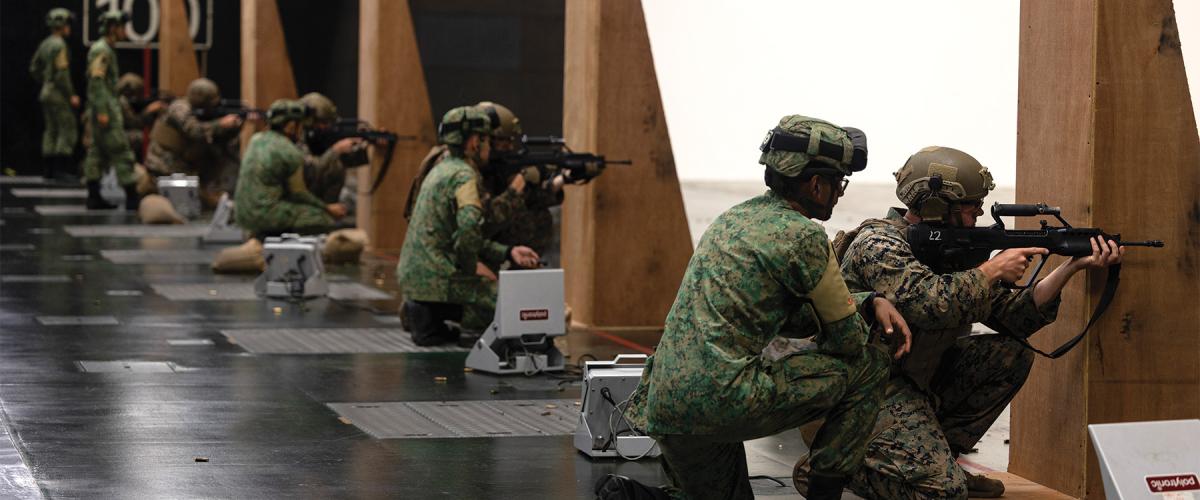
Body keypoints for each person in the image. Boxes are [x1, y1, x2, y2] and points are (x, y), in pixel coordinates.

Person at [596, 115, 913, 500]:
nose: (839, 193)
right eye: (838, 183)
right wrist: (860, 314)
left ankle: (630, 497)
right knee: (869, 365)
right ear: (816, 184)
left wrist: (865, 303)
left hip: (665, 401)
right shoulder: (805, 235)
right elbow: (847, 344)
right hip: (721, 399)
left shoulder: (732, 220)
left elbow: (784, 317)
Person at [814, 146, 1123, 499]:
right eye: (970, 204)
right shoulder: (879, 243)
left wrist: (1070, 267)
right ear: (934, 204)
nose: (979, 211)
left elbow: (1012, 317)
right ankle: (835, 468)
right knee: (943, 494)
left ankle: (943, 457)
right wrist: (990, 270)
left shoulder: (951, 250)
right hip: (868, 389)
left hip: (915, 381)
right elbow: (927, 302)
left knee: (1009, 354)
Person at [396, 106, 539, 347]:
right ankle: (460, 325)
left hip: (414, 277)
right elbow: (469, 225)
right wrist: (471, 266)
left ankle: (428, 318)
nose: (490, 148)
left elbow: (451, 233)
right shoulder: (464, 177)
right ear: (474, 142)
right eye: (487, 141)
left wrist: (507, 252)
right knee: (514, 306)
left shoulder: (440, 169)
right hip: (438, 278)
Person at [234, 99, 345, 238]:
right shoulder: (289, 151)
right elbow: (298, 193)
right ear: (291, 126)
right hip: (263, 215)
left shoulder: (256, 139)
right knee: (321, 219)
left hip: (242, 215)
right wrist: (327, 208)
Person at [476, 101, 566, 257]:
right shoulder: (467, 172)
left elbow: (530, 201)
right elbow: (486, 221)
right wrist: (517, 185)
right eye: (505, 140)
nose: (510, 147)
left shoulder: (493, 169)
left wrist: (561, 180)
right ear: (486, 139)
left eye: (511, 140)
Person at [144, 78, 243, 208]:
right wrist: (221, 124)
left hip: (181, 163)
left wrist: (233, 128)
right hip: (164, 165)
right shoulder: (179, 107)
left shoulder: (194, 110)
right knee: (202, 200)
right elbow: (194, 131)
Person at [83, 10, 137, 210]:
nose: (125, 32)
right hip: (105, 108)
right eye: (122, 27)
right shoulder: (102, 50)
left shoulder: (104, 49)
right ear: (114, 28)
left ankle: (93, 195)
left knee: (97, 153)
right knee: (120, 149)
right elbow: (97, 82)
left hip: (101, 106)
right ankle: (132, 196)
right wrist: (103, 111)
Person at [298, 92, 370, 219]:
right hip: (302, 203)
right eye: (322, 122)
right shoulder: (297, 140)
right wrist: (335, 150)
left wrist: (366, 145)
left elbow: (345, 161)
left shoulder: (317, 137)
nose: (326, 127)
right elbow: (309, 171)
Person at [30, 7, 80, 180]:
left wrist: (45, 80)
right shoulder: (59, 45)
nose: (69, 28)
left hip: (46, 91)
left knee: (50, 130)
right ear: (61, 25)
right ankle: (61, 170)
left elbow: (34, 68)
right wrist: (71, 94)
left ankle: (49, 170)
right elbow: (62, 74)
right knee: (67, 129)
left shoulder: (45, 43)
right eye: (67, 24)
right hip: (58, 93)